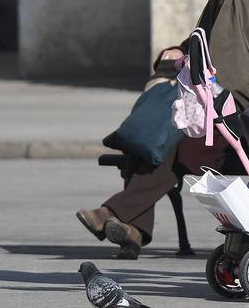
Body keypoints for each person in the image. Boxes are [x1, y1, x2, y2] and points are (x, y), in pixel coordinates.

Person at [76, 45, 195, 259]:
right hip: (195, 116)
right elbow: (192, 45)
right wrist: (174, 53)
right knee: (151, 138)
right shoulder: (216, 24)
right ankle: (133, 230)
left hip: (229, 129)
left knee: (166, 142)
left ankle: (115, 215)